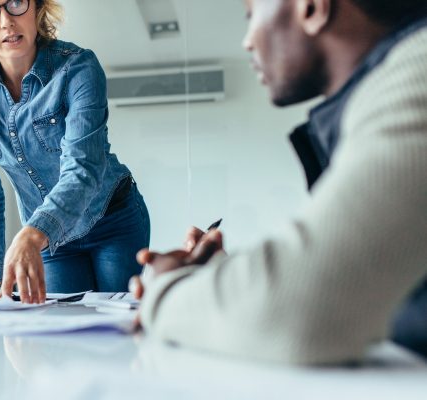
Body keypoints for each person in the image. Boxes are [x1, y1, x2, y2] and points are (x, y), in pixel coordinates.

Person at [133, 0, 427, 364]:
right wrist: (228, 281)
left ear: (312, 8)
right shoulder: (376, 98)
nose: (247, 41)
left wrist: (166, 288)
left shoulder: (418, 73)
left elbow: (299, 311)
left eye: (251, 15)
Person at [0, 0, 150, 303]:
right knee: (60, 336)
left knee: (115, 331)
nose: (6, 22)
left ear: (38, 8)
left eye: (16, 3)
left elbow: (83, 168)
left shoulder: (78, 67)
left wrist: (33, 232)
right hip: (49, 242)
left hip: (112, 220)